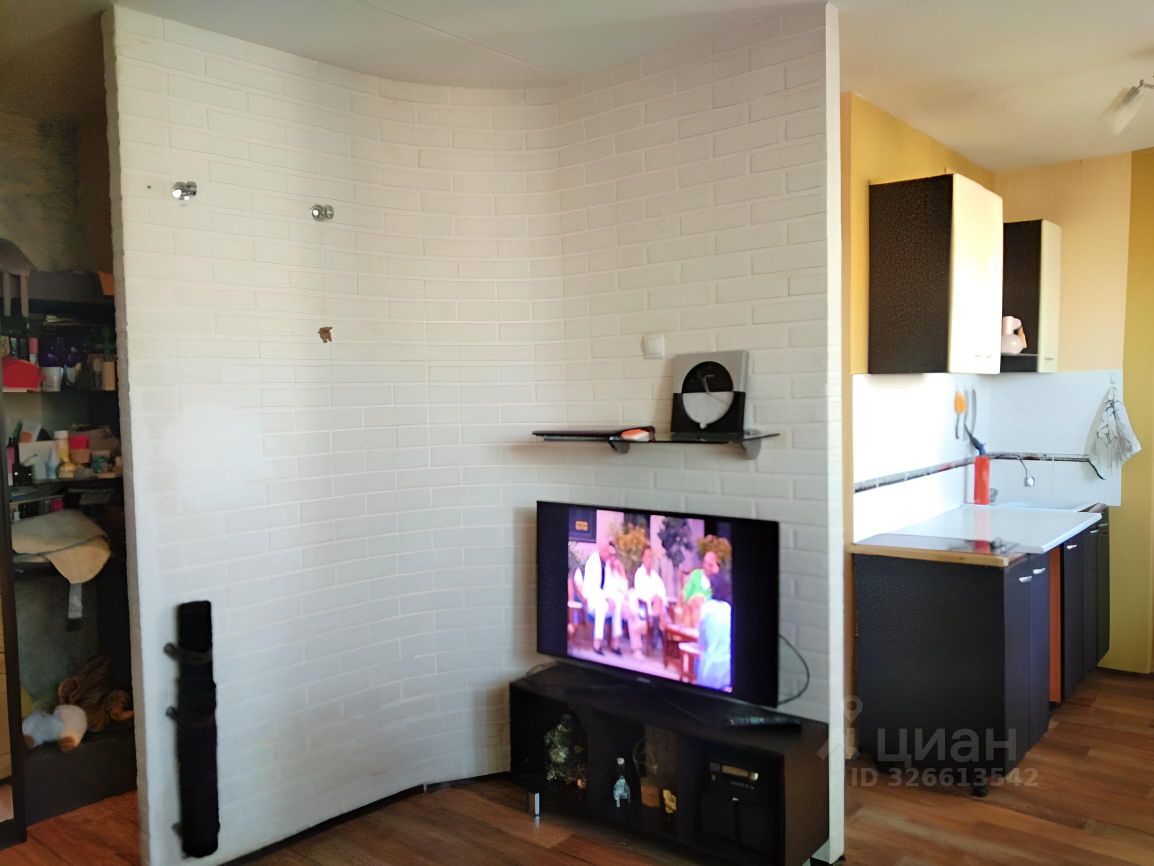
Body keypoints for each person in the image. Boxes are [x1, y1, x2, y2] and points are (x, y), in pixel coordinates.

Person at [584, 539, 625, 655]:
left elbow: (609, 587)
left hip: (602, 599)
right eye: (607, 552)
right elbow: (593, 588)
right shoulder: (593, 561)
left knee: (617, 604)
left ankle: (615, 643)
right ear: (601, 550)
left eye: (611, 553)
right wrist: (607, 598)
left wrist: (611, 599)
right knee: (601, 606)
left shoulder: (606, 564)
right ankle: (597, 644)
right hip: (591, 599)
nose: (609, 555)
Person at [696, 571, 732, 691]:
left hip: (710, 668)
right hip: (727, 668)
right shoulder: (728, 609)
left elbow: (701, 642)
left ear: (713, 589)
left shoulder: (707, 608)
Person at [629, 545, 667, 656]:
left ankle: (655, 633)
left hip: (658, 607)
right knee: (658, 603)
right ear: (642, 558)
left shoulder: (655, 576)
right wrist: (653, 597)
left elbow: (662, 593)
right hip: (645, 607)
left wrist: (657, 598)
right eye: (647, 556)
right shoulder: (639, 573)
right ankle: (656, 634)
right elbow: (640, 593)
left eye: (651, 556)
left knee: (659, 601)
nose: (649, 559)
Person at [682, 549, 719, 626]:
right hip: (691, 609)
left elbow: (717, 599)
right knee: (697, 601)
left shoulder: (716, 580)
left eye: (710, 564)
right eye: (705, 562)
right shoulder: (696, 574)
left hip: (708, 613)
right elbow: (686, 592)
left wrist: (716, 573)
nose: (706, 566)